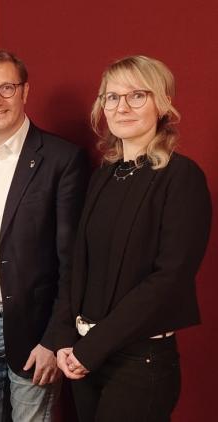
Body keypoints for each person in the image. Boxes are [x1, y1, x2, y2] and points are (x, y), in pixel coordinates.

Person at [51, 55, 211, 421]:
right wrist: (64, 338)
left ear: (162, 104)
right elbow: (77, 265)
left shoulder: (182, 177)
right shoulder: (104, 176)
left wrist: (92, 348)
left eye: (137, 95)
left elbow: (169, 279)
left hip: (140, 362)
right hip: (84, 356)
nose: (121, 107)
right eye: (112, 97)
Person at [0, 49, 88, 421]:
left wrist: (54, 338)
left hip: (33, 334)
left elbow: (72, 262)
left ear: (25, 91)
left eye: (7, 88)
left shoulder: (61, 159)